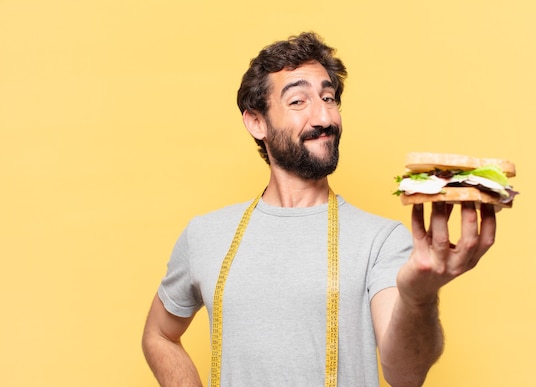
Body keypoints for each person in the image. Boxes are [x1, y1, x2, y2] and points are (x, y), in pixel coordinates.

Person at [142, 32, 497, 387]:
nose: (324, 117)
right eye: (298, 101)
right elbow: (158, 334)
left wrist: (418, 297)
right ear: (257, 122)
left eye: (329, 98)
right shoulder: (206, 235)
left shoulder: (381, 241)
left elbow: (406, 374)